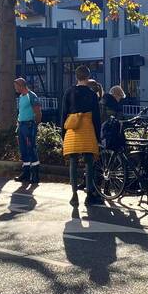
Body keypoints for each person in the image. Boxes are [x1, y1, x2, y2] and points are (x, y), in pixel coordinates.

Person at [61, 65, 103, 207]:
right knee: (89, 163)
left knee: (73, 163)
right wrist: (98, 137)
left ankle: (74, 195)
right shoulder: (92, 94)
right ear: (88, 76)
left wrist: (63, 135)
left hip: (72, 130)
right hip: (88, 130)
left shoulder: (69, 92)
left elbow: (63, 115)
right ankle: (89, 194)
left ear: (76, 76)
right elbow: (97, 118)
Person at [13, 77, 42, 185]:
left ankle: (35, 175)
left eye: (16, 86)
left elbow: (38, 112)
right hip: (21, 126)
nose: (15, 88)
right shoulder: (21, 96)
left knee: (31, 149)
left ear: (21, 85)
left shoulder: (32, 96)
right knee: (23, 150)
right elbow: (21, 112)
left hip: (29, 126)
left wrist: (34, 125)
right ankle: (26, 173)